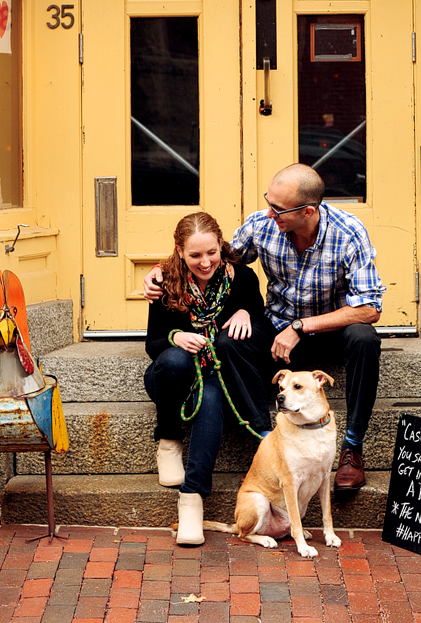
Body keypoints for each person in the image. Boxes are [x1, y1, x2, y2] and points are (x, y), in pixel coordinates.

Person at [146, 164, 385, 492]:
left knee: (364, 338)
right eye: (268, 202)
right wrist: (160, 271)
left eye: (278, 208)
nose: (269, 213)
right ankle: (266, 436)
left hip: (329, 330)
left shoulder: (349, 233)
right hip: (275, 330)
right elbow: (213, 256)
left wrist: (301, 327)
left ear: (308, 211)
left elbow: (370, 308)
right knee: (229, 341)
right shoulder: (263, 224)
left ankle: (352, 450)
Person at [143, 211, 275, 546]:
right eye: (195, 255)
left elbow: (258, 321)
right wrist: (175, 337)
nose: (205, 262)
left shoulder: (242, 278)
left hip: (217, 374)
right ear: (179, 250)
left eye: (211, 252)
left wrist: (246, 311)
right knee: (173, 359)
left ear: (221, 246)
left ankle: (192, 499)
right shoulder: (164, 281)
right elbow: (153, 343)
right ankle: (168, 439)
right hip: (173, 379)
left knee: (212, 398)